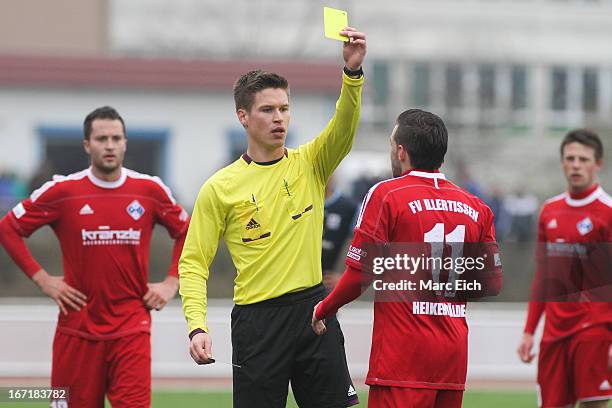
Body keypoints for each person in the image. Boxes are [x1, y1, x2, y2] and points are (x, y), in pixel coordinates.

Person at [179, 27, 367, 408]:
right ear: (243, 117)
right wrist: (196, 325)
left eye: (284, 108)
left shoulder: (312, 163)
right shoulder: (219, 187)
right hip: (257, 322)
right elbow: (194, 263)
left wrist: (351, 76)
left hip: (315, 311)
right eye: (267, 110)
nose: (278, 118)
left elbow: (344, 129)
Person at [312, 109, 503, 408]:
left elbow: (359, 275)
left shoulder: (387, 194)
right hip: (452, 357)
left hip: (403, 358)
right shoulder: (477, 207)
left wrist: (324, 307)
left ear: (401, 152)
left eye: (391, 143)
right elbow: (491, 282)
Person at [0, 106, 189, 407]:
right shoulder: (63, 191)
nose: (110, 145)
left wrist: (171, 282)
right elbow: (8, 228)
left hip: (131, 328)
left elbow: (188, 232)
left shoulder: (149, 190)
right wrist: (43, 279)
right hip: (77, 328)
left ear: (126, 142)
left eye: (116, 138)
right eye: (102, 139)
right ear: (88, 145)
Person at [517, 129, 612, 408]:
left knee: (593, 404)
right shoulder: (549, 210)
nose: (576, 165)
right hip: (554, 332)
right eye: (570, 158)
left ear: (598, 164)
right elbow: (543, 278)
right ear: (562, 163)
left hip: (594, 329)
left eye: (583, 159)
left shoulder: (608, 212)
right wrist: (529, 330)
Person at [322, 176, 359, 290]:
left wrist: (347, 276)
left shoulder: (351, 208)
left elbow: (367, 249)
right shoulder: (296, 205)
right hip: (297, 288)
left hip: (328, 288)